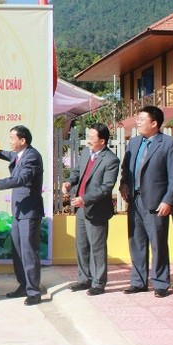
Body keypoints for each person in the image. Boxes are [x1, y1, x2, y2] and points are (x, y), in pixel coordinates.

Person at [0, 125, 44, 306]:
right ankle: (23, 286)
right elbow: (7, 154)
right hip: (19, 212)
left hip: (29, 212)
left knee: (29, 251)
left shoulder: (32, 156)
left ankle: (34, 292)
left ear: (22, 141)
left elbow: (21, 179)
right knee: (18, 250)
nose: (10, 141)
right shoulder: (20, 154)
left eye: (12, 138)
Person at [119, 106, 173, 298]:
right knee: (136, 242)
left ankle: (161, 283)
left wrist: (168, 200)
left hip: (156, 201)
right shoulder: (134, 142)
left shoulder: (168, 143)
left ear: (154, 123)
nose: (138, 122)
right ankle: (138, 281)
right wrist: (124, 184)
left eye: (142, 119)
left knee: (158, 243)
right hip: (135, 200)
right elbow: (126, 168)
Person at [62, 123, 119, 296]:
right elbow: (77, 171)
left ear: (102, 141)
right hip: (80, 210)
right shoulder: (87, 152)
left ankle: (98, 282)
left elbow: (106, 187)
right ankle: (84, 279)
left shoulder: (111, 160)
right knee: (81, 246)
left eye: (92, 138)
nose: (88, 141)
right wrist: (69, 182)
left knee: (97, 247)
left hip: (96, 210)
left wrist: (85, 199)